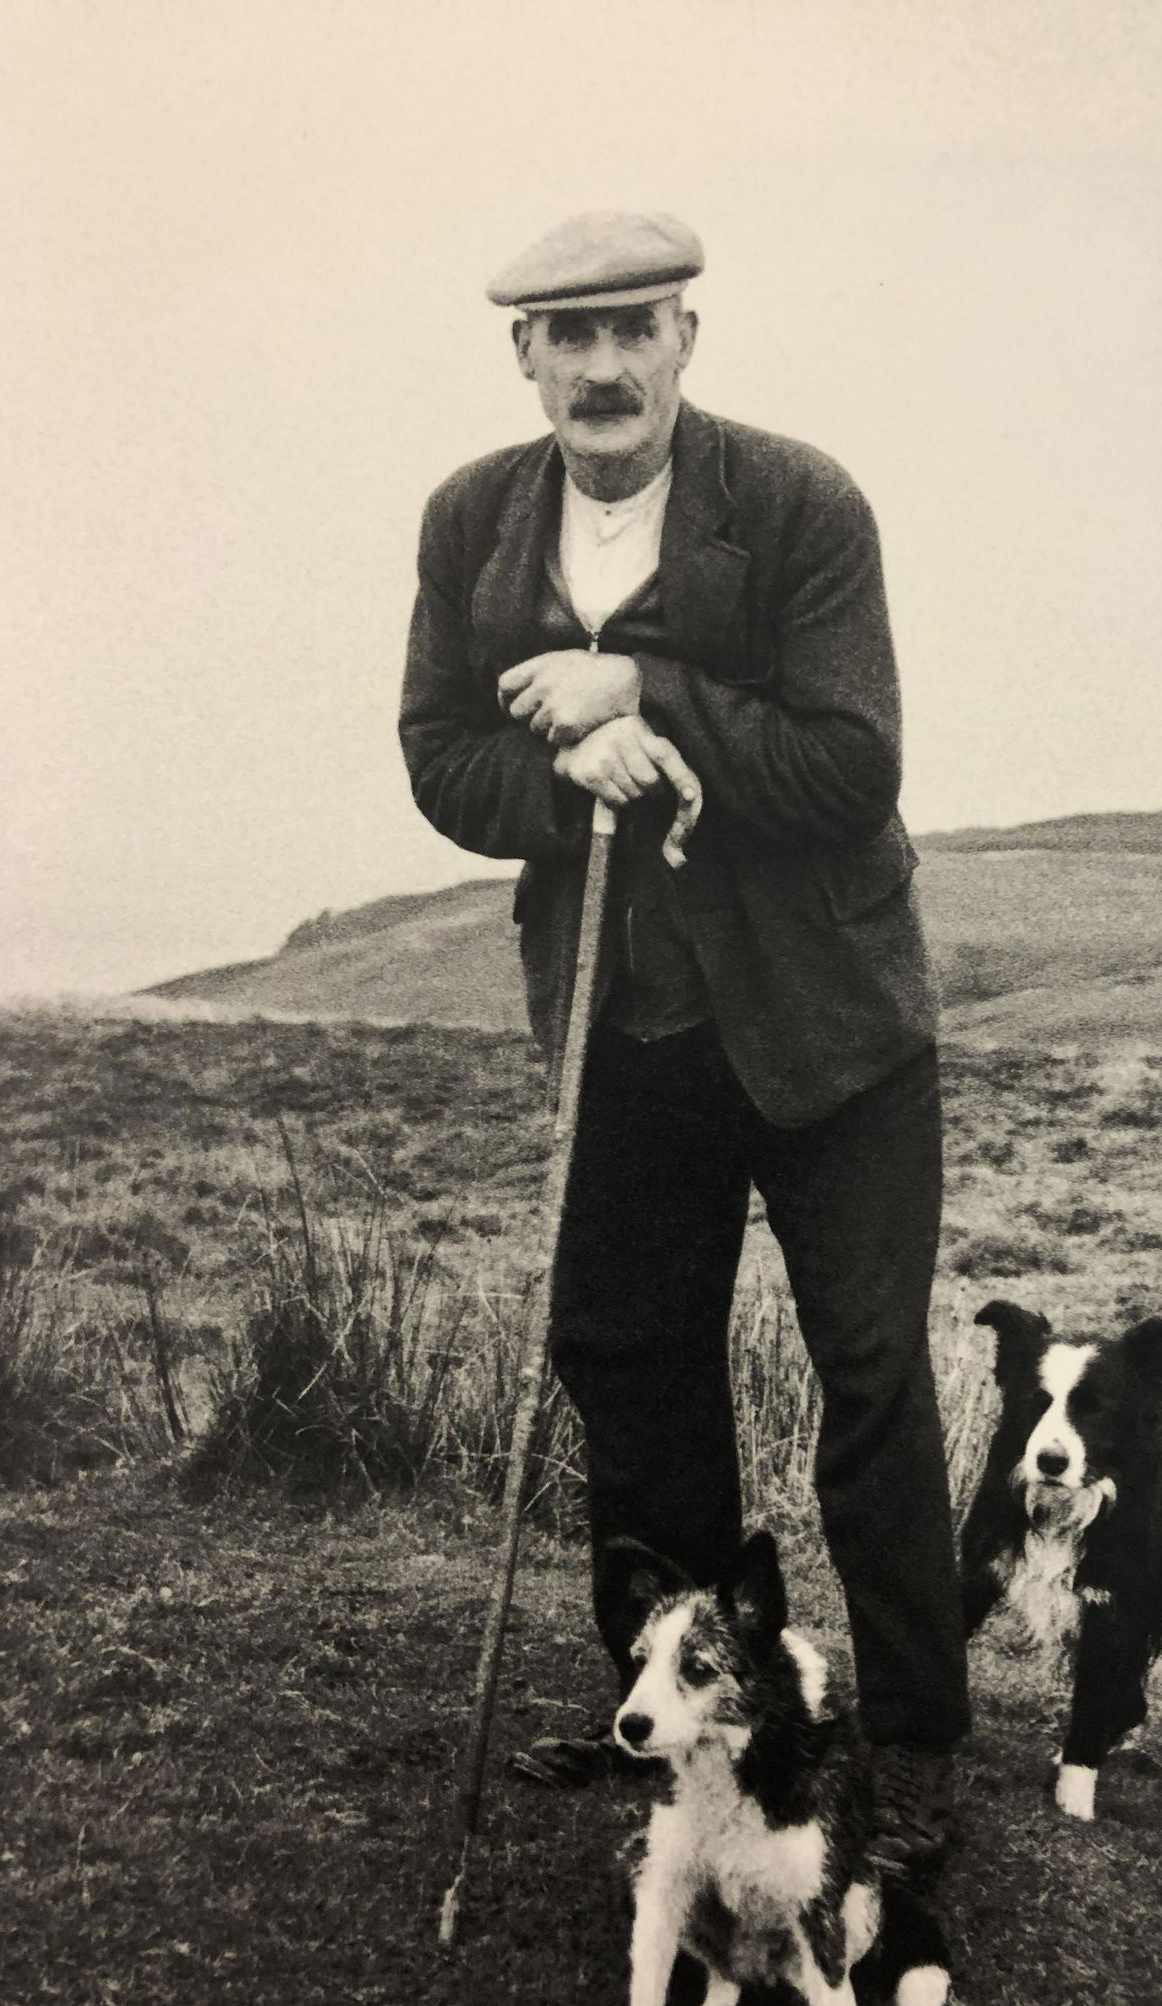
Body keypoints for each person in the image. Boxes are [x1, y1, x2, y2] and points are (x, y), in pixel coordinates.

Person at [399, 210, 968, 1875]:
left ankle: (919, 1748)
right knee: (635, 1372)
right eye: (566, 336)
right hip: (619, 1036)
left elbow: (851, 762)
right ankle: (673, 1706)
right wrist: (564, 769)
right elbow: (440, 753)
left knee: (870, 1383)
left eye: (632, 328)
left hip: (830, 1032)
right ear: (524, 358)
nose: (601, 365)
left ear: (686, 343)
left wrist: (640, 692)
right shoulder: (472, 526)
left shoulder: (798, 504)